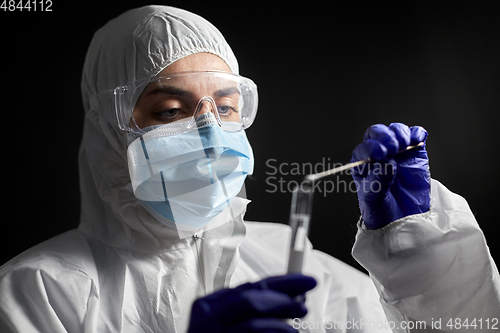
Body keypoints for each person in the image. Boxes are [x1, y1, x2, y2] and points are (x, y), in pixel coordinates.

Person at [0, 5, 498, 333]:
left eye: (226, 106)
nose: (210, 136)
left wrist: (423, 263)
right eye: (171, 111)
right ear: (108, 130)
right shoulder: (36, 294)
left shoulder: (294, 264)